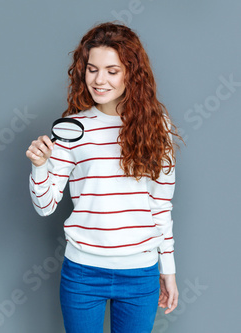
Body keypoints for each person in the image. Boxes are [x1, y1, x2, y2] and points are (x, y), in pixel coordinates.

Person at [25, 22, 181, 333]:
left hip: (140, 273)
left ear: (131, 73)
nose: (99, 80)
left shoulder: (156, 126)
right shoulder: (72, 129)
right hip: (83, 274)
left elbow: (161, 207)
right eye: (92, 69)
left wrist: (169, 270)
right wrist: (40, 165)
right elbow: (45, 206)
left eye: (112, 70)